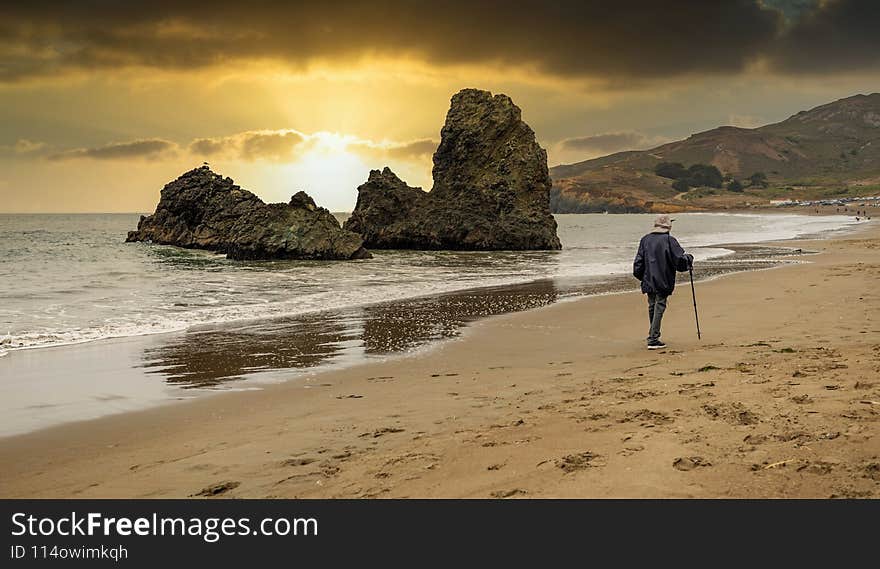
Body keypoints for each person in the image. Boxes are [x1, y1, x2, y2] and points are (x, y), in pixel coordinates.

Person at [633, 214, 694, 350]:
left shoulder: (645, 240)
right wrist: (689, 259)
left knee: (652, 306)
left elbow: (638, 262)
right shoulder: (669, 240)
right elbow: (679, 260)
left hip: (648, 279)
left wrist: (641, 277)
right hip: (663, 279)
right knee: (659, 306)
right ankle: (653, 339)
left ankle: (653, 335)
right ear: (668, 226)